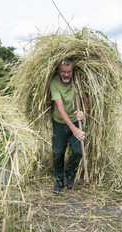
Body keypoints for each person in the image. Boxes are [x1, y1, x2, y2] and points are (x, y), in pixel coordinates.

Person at [50, 57, 89, 194]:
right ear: (58, 71)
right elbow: (60, 109)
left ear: (73, 71)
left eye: (69, 72)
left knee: (79, 151)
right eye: (63, 72)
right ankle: (59, 181)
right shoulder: (54, 83)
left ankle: (70, 174)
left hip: (77, 121)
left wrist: (83, 112)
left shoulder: (78, 81)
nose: (66, 75)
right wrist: (73, 129)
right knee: (57, 153)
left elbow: (86, 100)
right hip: (60, 122)